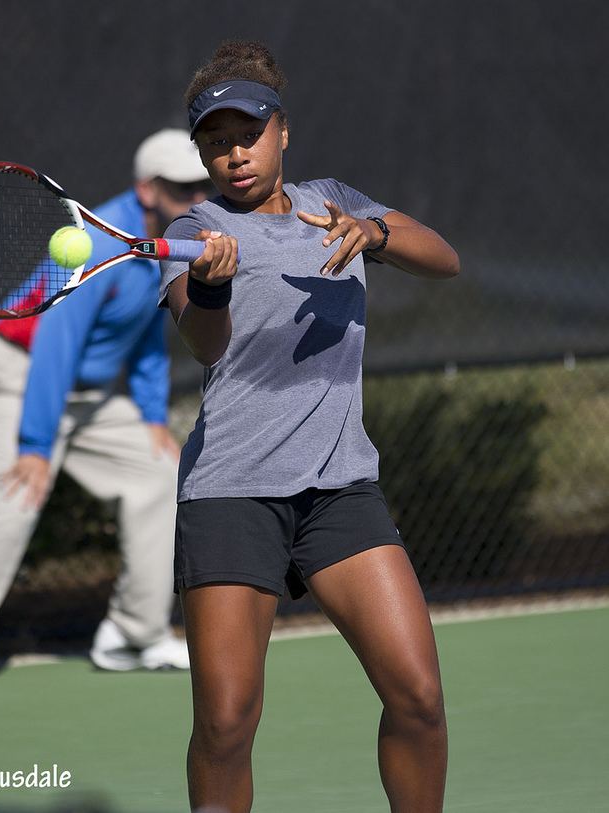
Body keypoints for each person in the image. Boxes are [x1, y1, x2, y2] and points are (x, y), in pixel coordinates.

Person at [158, 42, 461, 813]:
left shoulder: (335, 199)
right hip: (233, 495)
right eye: (216, 140)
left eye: (248, 132)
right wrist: (212, 287)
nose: (235, 153)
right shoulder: (195, 230)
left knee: (419, 697)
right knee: (226, 723)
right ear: (200, 152)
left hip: (341, 493)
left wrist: (377, 233)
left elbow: (445, 259)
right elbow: (203, 341)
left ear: (282, 131)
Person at [0, 128, 213, 694]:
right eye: (181, 189)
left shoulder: (173, 243)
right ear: (148, 191)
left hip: (88, 398)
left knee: (161, 472)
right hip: (14, 378)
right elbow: (55, 346)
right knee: (18, 499)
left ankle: (132, 634)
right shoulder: (97, 242)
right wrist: (35, 446)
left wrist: (150, 415)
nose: (197, 200)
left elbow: (149, 333)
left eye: (203, 187)